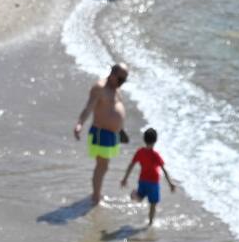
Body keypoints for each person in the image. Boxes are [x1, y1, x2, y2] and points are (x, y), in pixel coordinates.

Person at [72, 63, 130, 205]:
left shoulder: (116, 88)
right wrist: (80, 124)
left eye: (124, 80)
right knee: (102, 165)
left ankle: (96, 194)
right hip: (101, 132)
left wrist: (121, 130)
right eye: (121, 79)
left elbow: (115, 108)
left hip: (112, 134)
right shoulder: (100, 88)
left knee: (104, 165)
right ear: (113, 74)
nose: (122, 82)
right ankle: (96, 197)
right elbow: (88, 108)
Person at [121, 127, 176, 226]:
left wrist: (125, 178)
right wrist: (170, 183)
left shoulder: (140, 152)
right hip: (154, 183)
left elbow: (131, 165)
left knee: (140, 198)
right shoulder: (155, 155)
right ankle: (150, 223)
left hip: (142, 180)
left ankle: (134, 195)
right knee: (153, 204)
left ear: (144, 139)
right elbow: (164, 170)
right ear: (155, 140)